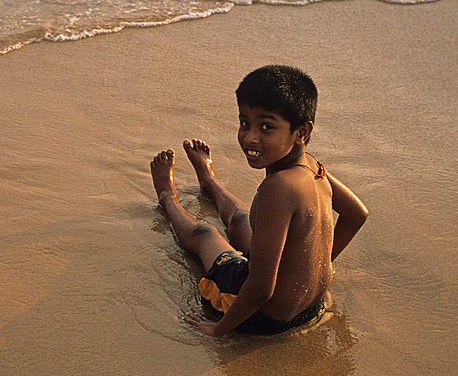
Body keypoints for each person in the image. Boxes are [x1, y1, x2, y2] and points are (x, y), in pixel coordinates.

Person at [150, 65, 368, 337]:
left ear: (301, 132)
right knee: (241, 219)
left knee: (205, 234)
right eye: (245, 123)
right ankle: (209, 181)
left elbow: (261, 288)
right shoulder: (314, 166)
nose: (250, 137)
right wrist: (318, 264)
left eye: (266, 127)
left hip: (264, 318)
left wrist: (219, 329)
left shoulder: (276, 189)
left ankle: (168, 197)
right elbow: (358, 215)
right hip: (312, 306)